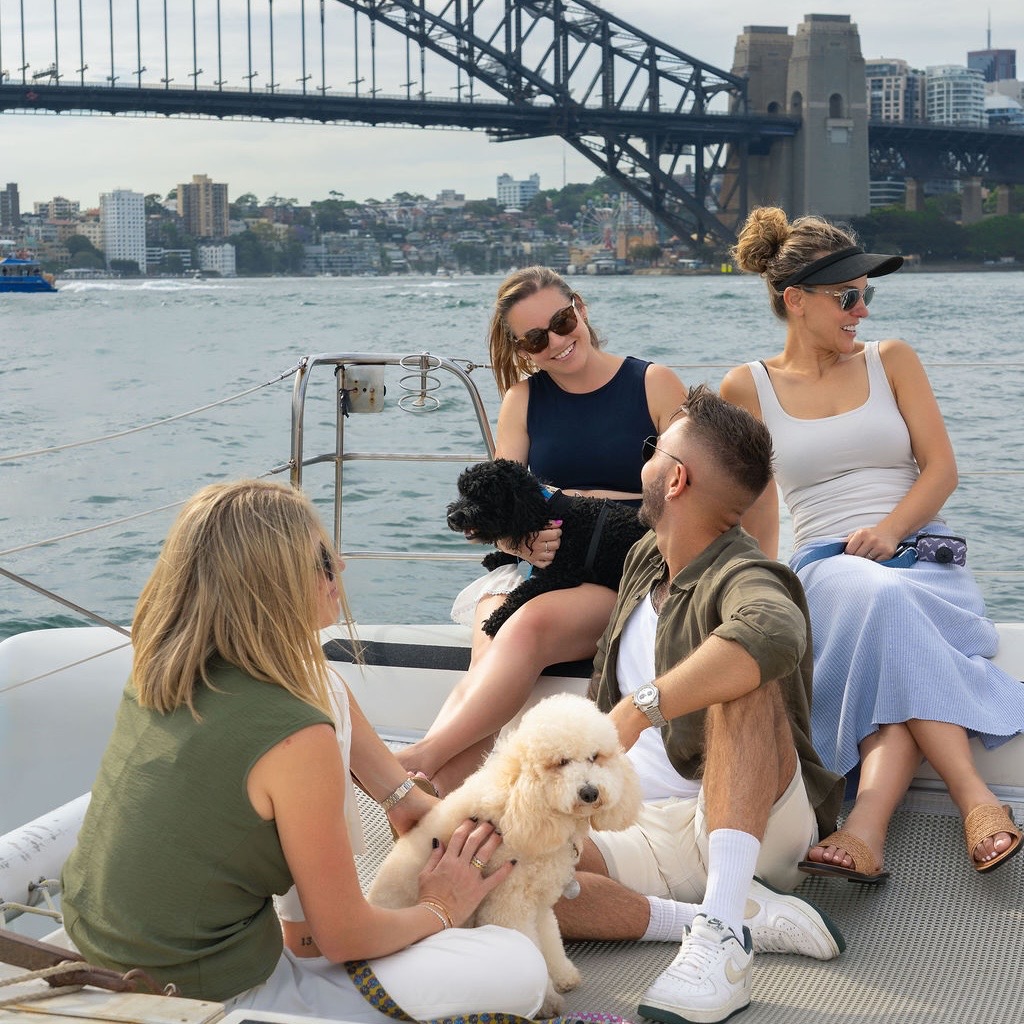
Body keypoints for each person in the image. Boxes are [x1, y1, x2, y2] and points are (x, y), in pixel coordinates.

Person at [58, 479, 549, 1021]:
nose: (339, 564)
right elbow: (347, 936)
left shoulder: (163, 670)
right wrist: (440, 907)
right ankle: (318, 948)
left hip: (104, 952)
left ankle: (400, 803)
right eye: (320, 557)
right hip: (208, 996)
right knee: (518, 966)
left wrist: (408, 803)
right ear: (274, 580)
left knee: (328, 687)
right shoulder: (295, 734)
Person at [721, 206, 1024, 882]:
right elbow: (756, 510)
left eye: (867, 295)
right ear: (795, 301)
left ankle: (865, 830)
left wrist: (891, 530)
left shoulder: (893, 359)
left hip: (921, 555)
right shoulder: (747, 386)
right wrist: (754, 595)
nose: (862, 309)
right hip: (829, 567)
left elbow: (941, 469)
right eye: (846, 296)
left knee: (890, 623)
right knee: (877, 602)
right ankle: (976, 798)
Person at [554, 386, 846, 1024]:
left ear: (676, 478)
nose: (644, 465)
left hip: (753, 819)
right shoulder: (644, 559)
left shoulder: (744, 574)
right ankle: (721, 917)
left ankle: (722, 944)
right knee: (506, 873)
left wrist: (639, 708)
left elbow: (772, 632)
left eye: (654, 451)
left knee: (744, 677)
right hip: (645, 830)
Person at [398, 266, 685, 794]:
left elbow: (690, 492)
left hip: (621, 569)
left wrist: (593, 508)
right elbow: (495, 513)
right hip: (540, 563)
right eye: (536, 337)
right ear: (521, 348)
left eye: (561, 320)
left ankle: (423, 757)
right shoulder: (523, 401)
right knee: (491, 633)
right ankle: (439, 797)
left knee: (523, 626)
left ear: (580, 308)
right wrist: (520, 541)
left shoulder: (653, 383)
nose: (556, 341)